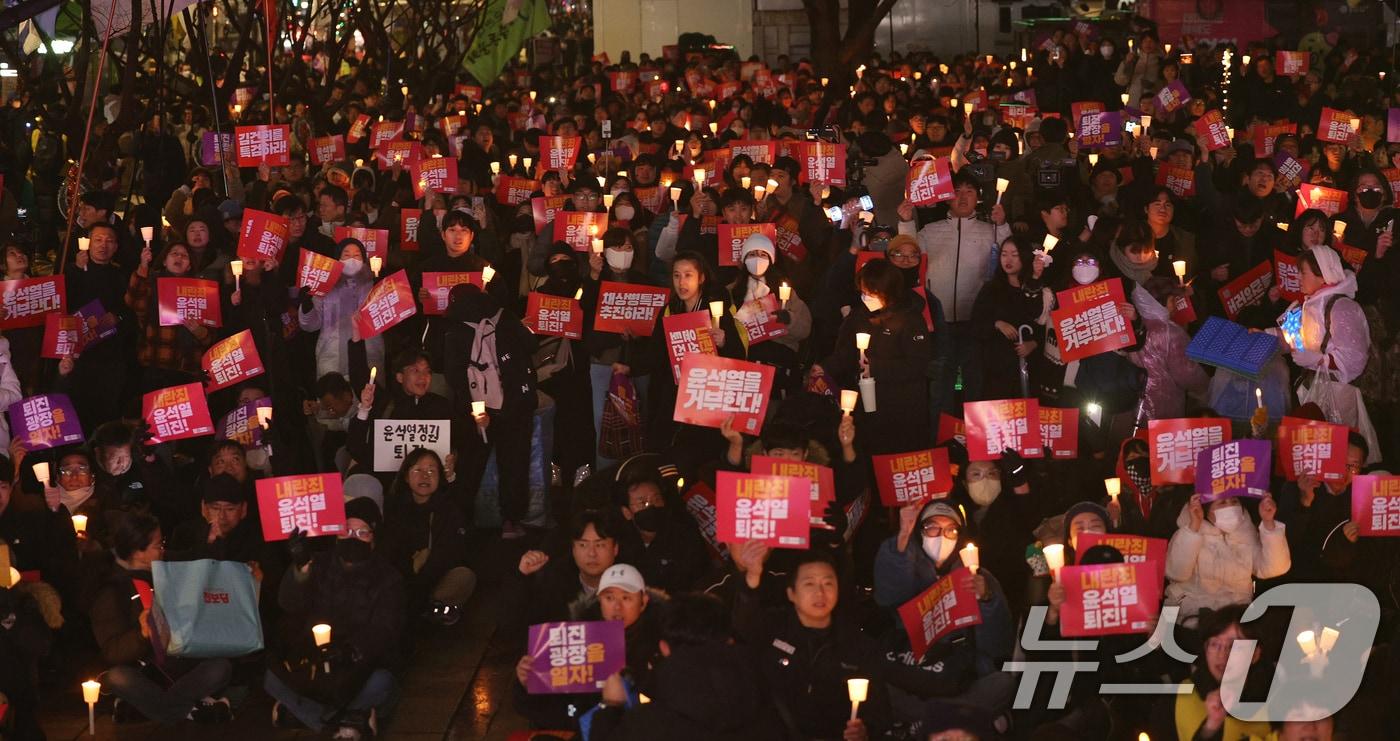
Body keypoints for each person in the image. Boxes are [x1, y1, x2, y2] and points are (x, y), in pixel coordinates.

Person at [265, 497, 404, 739]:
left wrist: (352, 651)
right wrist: (300, 568)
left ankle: (305, 714)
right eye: (347, 530)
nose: (353, 537)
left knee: (381, 683)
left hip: (359, 667)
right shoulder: (318, 563)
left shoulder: (388, 577)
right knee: (271, 677)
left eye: (363, 532)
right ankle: (348, 722)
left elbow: (385, 630)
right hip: (316, 664)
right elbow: (289, 603)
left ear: (374, 538)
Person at [732, 543, 890, 741]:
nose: (820, 593)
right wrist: (753, 577)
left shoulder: (859, 646)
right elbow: (744, 625)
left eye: (828, 583)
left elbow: (879, 710)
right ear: (791, 593)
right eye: (809, 584)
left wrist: (866, 731)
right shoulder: (771, 630)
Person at [88, 513, 234, 724]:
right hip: (144, 671)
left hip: (182, 664)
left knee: (221, 667)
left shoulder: (164, 567)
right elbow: (112, 651)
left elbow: (195, 560)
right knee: (117, 676)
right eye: (158, 545)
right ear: (139, 552)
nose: (162, 549)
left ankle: (152, 708)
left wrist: (211, 541)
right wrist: (140, 635)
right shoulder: (111, 590)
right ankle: (190, 709)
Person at [897, 171, 1011, 403]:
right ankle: (940, 435)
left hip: (977, 322)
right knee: (940, 387)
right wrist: (907, 222)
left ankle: (973, 436)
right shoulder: (931, 230)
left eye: (969, 191)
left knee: (975, 384)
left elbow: (1009, 257)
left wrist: (1002, 224)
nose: (962, 197)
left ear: (978, 197)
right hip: (940, 322)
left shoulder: (989, 230)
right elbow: (909, 253)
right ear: (947, 197)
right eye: (957, 191)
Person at [444, 283, 539, 537]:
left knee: (470, 466)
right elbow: (531, 345)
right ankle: (512, 521)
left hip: (476, 412)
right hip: (515, 405)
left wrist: (475, 410)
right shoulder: (504, 316)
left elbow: (456, 377)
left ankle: (462, 523)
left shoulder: (454, 331)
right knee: (514, 464)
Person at [811, 259, 932, 454]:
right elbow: (846, 353)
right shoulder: (860, 316)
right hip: (866, 405)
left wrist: (875, 367)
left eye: (872, 293)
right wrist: (826, 367)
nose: (866, 297)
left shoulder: (910, 319)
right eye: (863, 292)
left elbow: (917, 364)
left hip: (901, 407)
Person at [378, 449, 476, 626]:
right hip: (401, 582)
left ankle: (433, 611)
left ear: (440, 477)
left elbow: (451, 553)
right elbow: (388, 553)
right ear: (406, 476)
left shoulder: (449, 510)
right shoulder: (394, 508)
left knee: (463, 576)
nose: (425, 476)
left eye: (432, 471)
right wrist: (412, 568)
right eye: (418, 470)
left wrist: (424, 565)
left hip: (434, 581)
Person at [1164, 492, 1290, 625]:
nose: (1230, 507)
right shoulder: (1187, 532)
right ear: (1206, 509)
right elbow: (1176, 573)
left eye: (1235, 502)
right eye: (1222, 503)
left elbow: (1274, 568)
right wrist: (1194, 526)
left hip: (1235, 621)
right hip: (1190, 619)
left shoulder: (1246, 534)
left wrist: (1268, 523)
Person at [298, 238, 383, 382]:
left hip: (368, 354)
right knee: (334, 400)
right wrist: (307, 305)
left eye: (357, 255)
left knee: (368, 399)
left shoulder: (374, 286)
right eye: (346, 255)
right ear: (337, 258)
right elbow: (311, 325)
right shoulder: (326, 286)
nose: (352, 259)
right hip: (332, 356)